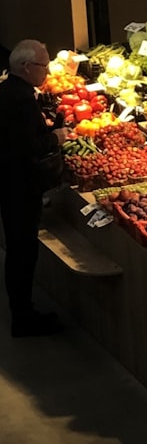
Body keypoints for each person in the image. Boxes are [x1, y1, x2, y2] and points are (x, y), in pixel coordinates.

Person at [0, 39, 67, 337]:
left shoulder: (8, 90)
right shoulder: (23, 101)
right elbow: (28, 149)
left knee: (19, 249)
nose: (48, 71)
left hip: (8, 183)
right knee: (22, 250)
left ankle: (21, 309)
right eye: (44, 65)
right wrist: (57, 138)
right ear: (27, 67)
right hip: (19, 187)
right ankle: (23, 316)